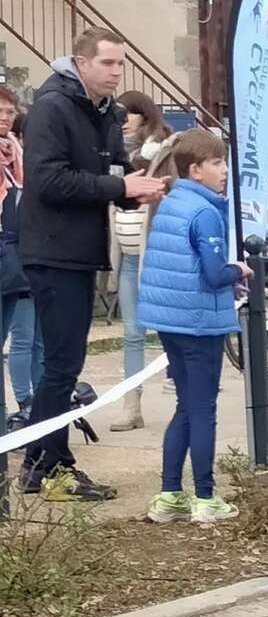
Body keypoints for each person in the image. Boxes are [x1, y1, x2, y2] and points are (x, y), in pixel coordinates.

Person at [18, 27, 166, 500]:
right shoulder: (52, 107)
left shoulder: (106, 112)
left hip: (82, 251)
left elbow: (110, 175)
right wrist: (120, 189)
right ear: (81, 63)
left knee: (65, 362)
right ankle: (50, 465)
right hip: (52, 249)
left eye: (121, 64)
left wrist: (135, 190)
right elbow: (48, 182)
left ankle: (42, 462)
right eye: (108, 63)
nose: (117, 71)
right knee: (61, 365)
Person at [138, 130, 250, 524]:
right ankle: (205, 496)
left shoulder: (172, 203)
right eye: (217, 163)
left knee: (185, 405)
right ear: (195, 169)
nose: (224, 171)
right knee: (203, 408)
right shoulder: (205, 212)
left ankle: (170, 494)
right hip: (200, 320)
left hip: (169, 318)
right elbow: (215, 272)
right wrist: (238, 269)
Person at [107, 91, 174, 431]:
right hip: (128, 257)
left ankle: (181, 394)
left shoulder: (162, 150)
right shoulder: (112, 150)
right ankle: (131, 407)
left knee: (169, 329)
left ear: (143, 116)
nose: (122, 122)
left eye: (127, 115)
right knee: (132, 333)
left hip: (156, 255)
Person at [0, 88, 44, 414]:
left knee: (35, 339)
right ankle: (23, 400)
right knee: (21, 336)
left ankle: (35, 407)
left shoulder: (18, 152)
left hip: (22, 251)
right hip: (6, 252)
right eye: (0, 110)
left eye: (10, 111)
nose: (5, 117)